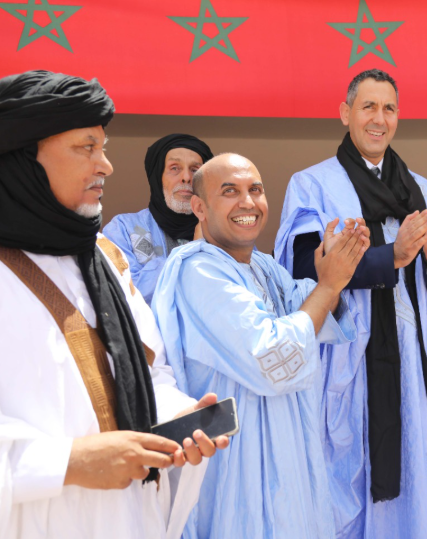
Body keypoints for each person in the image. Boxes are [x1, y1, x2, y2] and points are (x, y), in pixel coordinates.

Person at [0, 70, 226, 539]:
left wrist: (174, 418)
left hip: (130, 518)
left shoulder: (104, 259)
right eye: (86, 147)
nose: (106, 165)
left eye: (104, 147)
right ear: (23, 156)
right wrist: (69, 463)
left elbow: (150, 374)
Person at [274, 68, 427, 539]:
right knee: (342, 472)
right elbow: (303, 269)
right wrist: (392, 256)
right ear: (345, 114)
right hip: (345, 355)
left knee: (409, 472)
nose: (378, 118)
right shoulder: (313, 184)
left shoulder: (418, 188)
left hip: (404, 353)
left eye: (389, 108)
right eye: (368, 106)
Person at [152, 153, 369, 538]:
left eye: (256, 190)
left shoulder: (264, 266)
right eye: (230, 191)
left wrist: (332, 269)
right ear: (199, 207)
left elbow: (309, 310)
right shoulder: (198, 270)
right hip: (237, 459)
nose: (248, 203)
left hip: (285, 447)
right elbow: (271, 356)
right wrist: (329, 285)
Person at [104, 134, 213, 303]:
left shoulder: (222, 231)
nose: (186, 177)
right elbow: (122, 292)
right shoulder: (123, 228)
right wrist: (194, 251)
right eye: (175, 168)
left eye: (195, 170)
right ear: (158, 177)